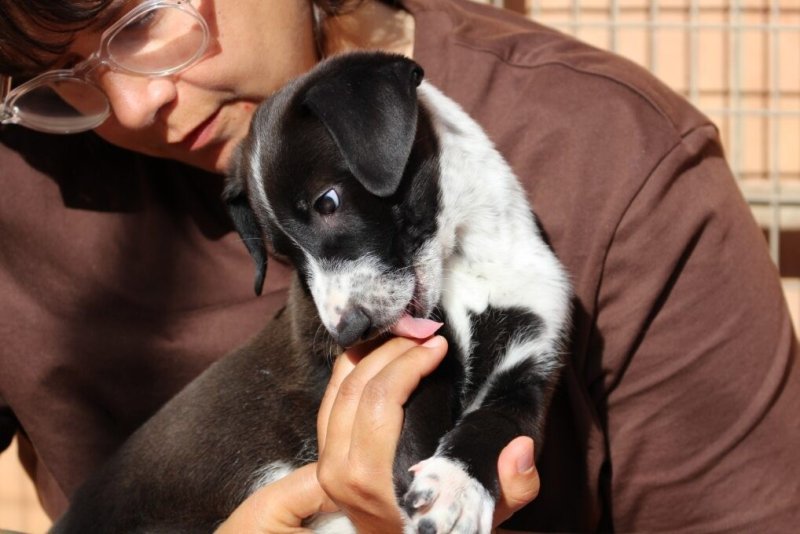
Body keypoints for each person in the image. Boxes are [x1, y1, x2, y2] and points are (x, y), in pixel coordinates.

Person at [0, 0, 797, 532]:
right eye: (66, 75)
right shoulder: (25, 166)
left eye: (141, 20)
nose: (133, 105)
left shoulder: (617, 158)